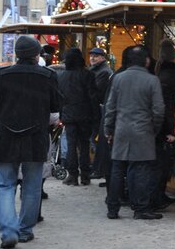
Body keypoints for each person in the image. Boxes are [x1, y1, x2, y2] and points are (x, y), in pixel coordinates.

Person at [0, 35, 60, 248]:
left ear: (16, 54)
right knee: (32, 186)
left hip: (5, 136)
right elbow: (55, 107)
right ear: (37, 55)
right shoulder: (48, 76)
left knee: (5, 185)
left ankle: (9, 230)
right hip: (36, 137)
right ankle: (25, 231)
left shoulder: (1, 75)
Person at [104, 45, 165, 220]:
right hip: (143, 130)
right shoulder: (152, 80)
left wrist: (109, 129)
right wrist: (154, 129)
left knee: (117, 169)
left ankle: (112, 208)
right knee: (142, 170)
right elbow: (159, 109)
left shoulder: (118, 78)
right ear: (146, 61)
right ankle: (141, 208)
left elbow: (111, 107)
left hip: (121, 129)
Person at [56, 48, 100, 186]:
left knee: (71, 145)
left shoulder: (61, 76)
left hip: (68, 115)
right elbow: (93, 97)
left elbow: (59, 98)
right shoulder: (88, 74)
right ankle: (85, 175)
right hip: (85, 114)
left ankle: (73, 175)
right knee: (84, 145)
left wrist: (61, 114)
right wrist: (96, 116)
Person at [152, 39, 175, 211]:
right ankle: (157, 196)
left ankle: (157, 195)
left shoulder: (159, 73)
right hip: (168, 124)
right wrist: (171, 129)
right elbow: (172, 104)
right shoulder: (173, 76)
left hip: (161, 124)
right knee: (163, 163)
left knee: (159, 163)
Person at [88, 47, 113, 183]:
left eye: (95, 56)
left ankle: (100, 169)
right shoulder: (96, 70)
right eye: (91, 56)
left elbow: (96, 92)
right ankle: (99, 168)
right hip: (95, 111)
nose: (92, 58)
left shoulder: (103, 72)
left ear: (103, 58)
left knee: (97, 140)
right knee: (95, 140)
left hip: (99, 111)